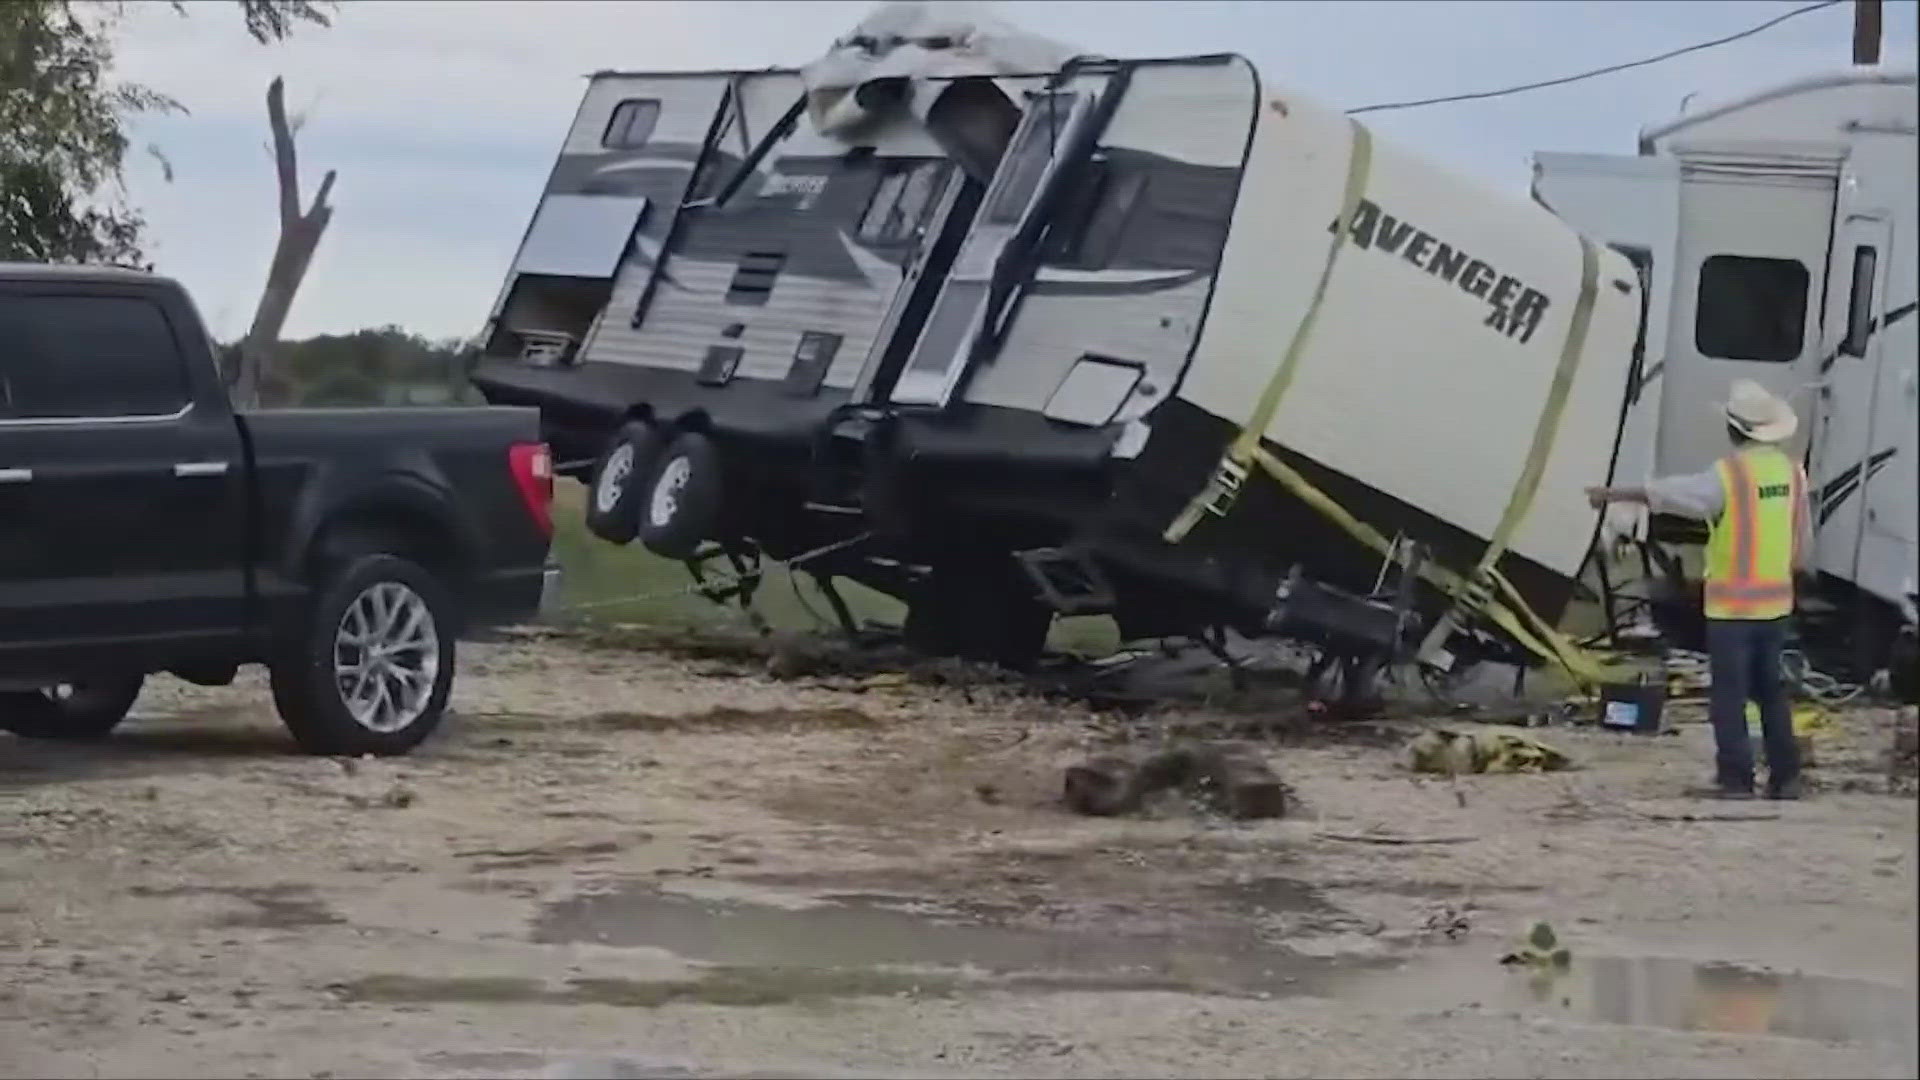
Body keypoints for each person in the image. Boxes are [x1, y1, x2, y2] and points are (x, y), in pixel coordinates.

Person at [1587, 379, 1813, 800]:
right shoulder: (1793, 474)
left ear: (1734, 429)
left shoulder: (1729, 475)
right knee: (1771, 694)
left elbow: (1677, 494)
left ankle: (1736, 781)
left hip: (1733, 611)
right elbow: (1801, 549)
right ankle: (1787, 777)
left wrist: (1614, 494)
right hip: (1776, 606)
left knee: (1729, 699)